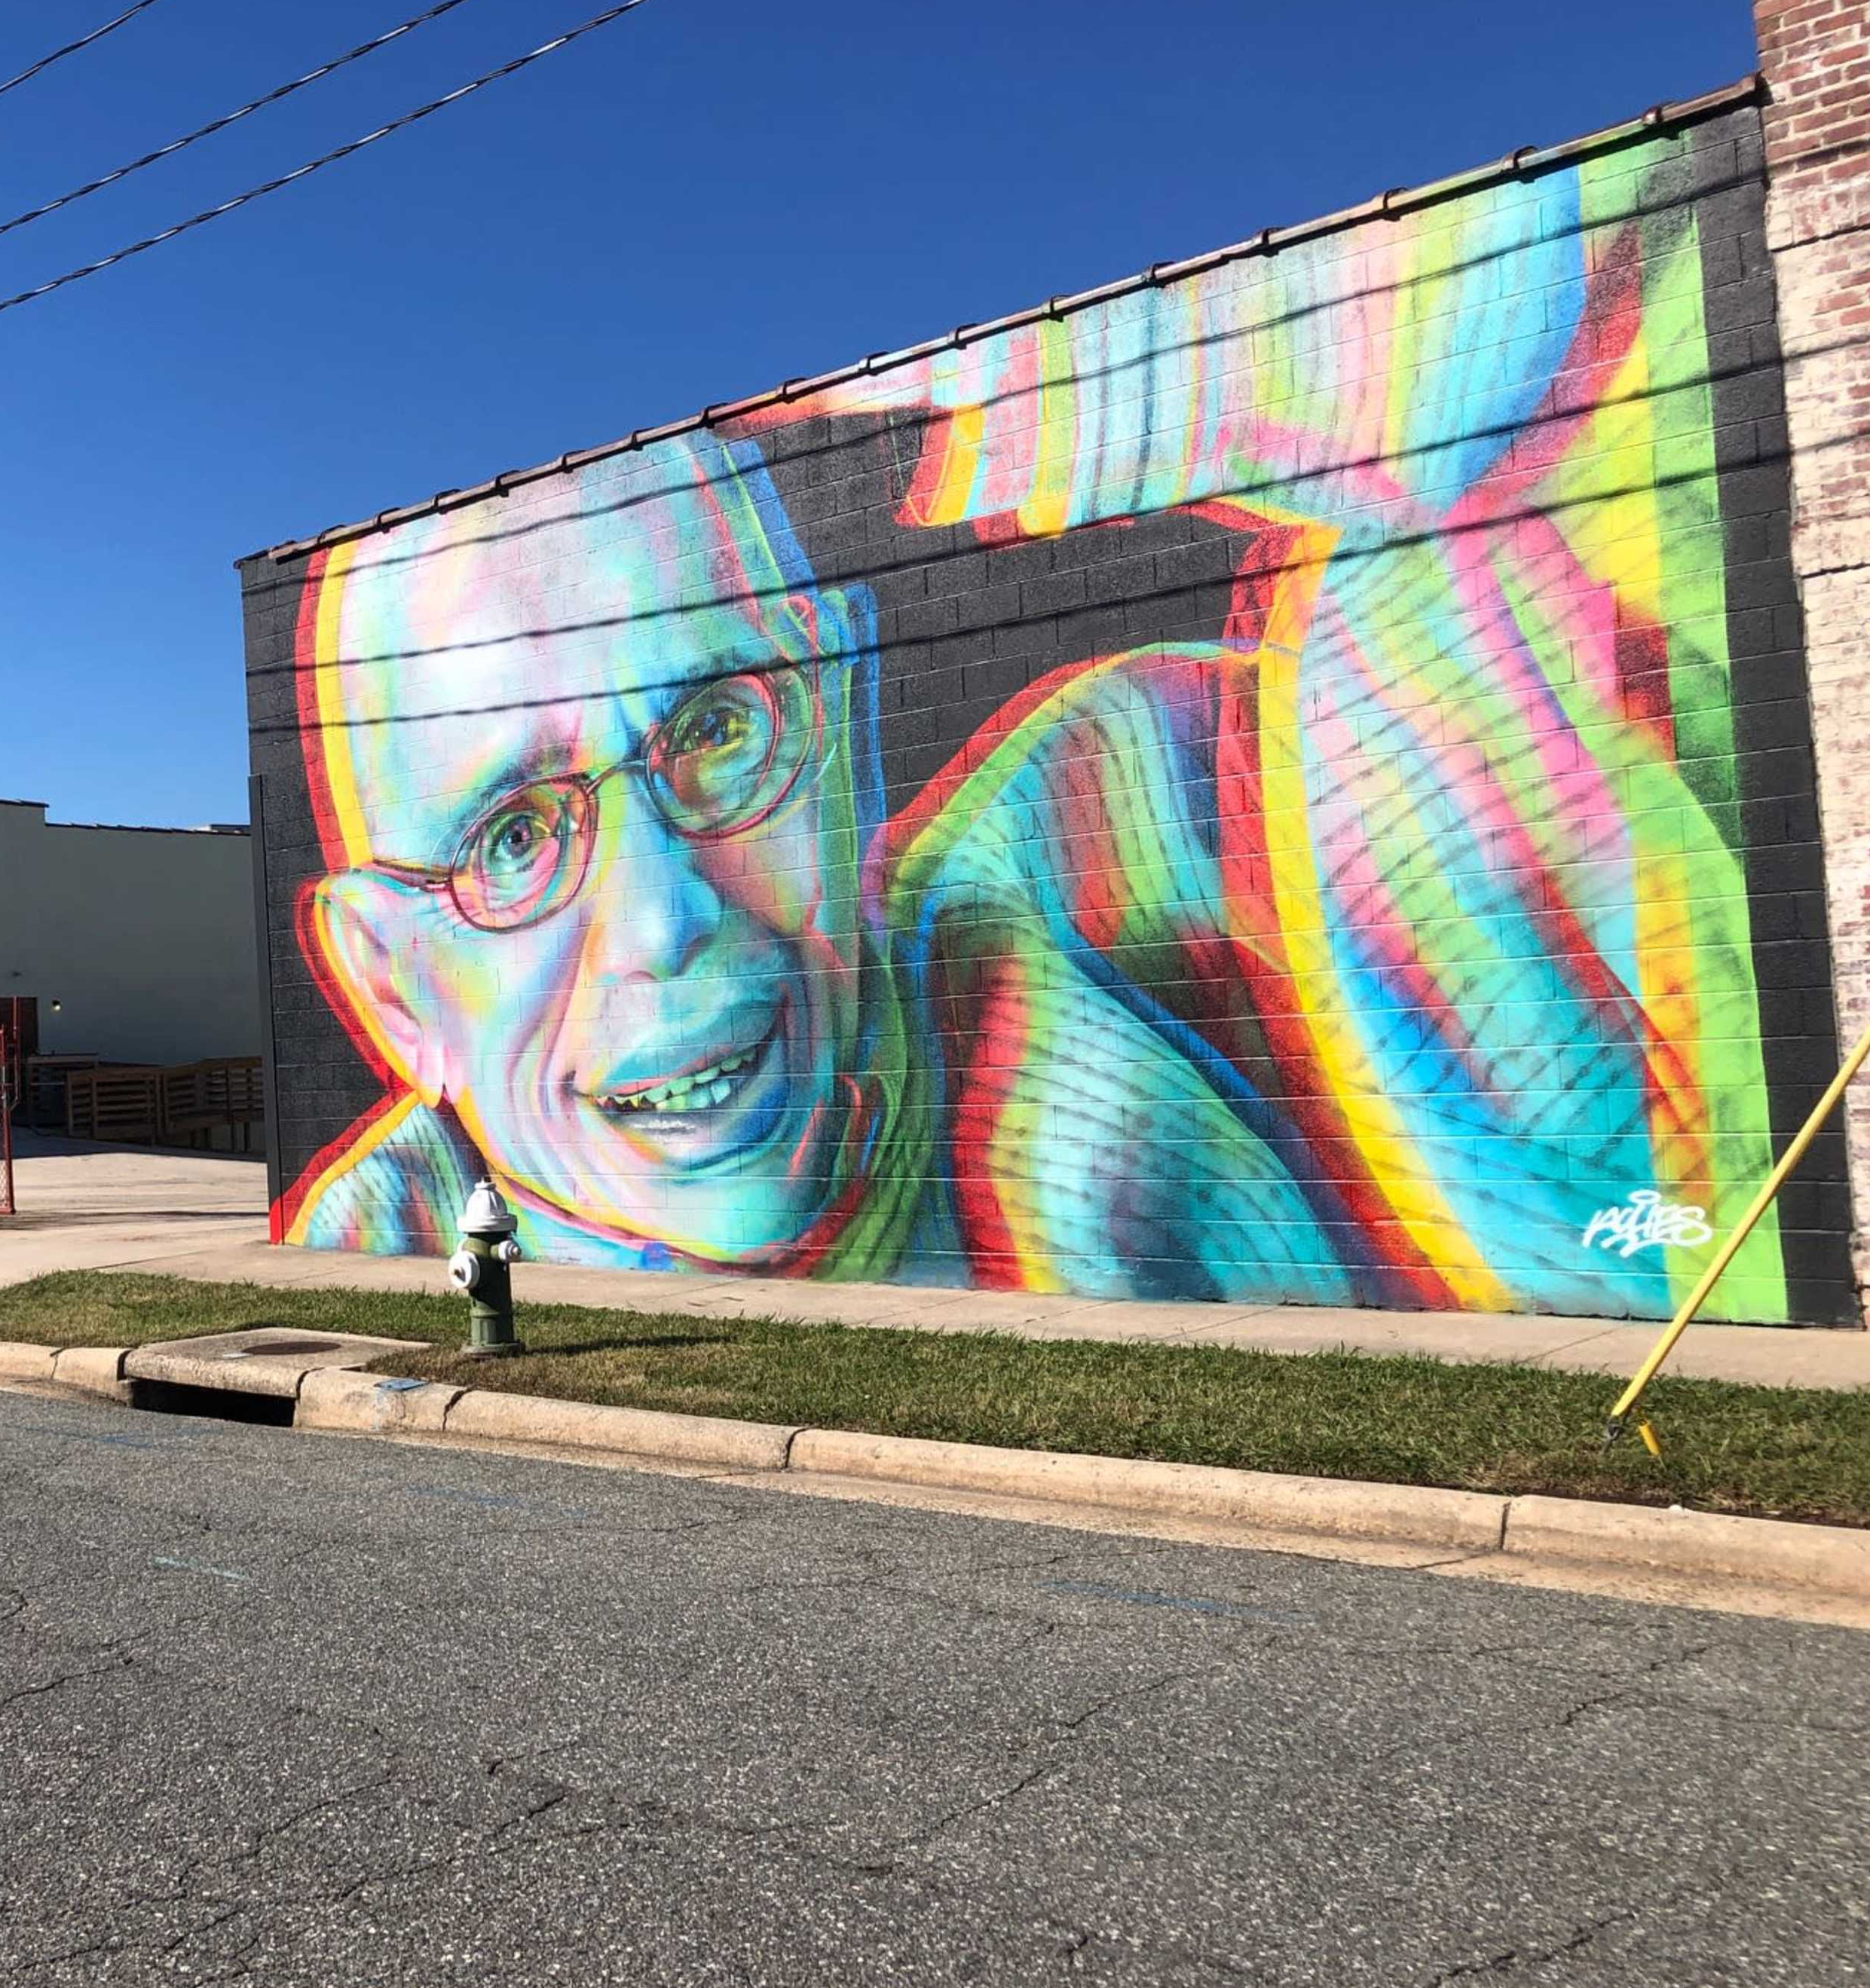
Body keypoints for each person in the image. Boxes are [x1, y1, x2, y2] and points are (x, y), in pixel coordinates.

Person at [276, 136, 1787, 1320]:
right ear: (392, 985)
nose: (665, 924)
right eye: (516, 839)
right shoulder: (371, 1241)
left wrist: (1279, 372)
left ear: (853, 730)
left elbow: (1639, 1188)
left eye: (722, 735)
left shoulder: (1175, 829)